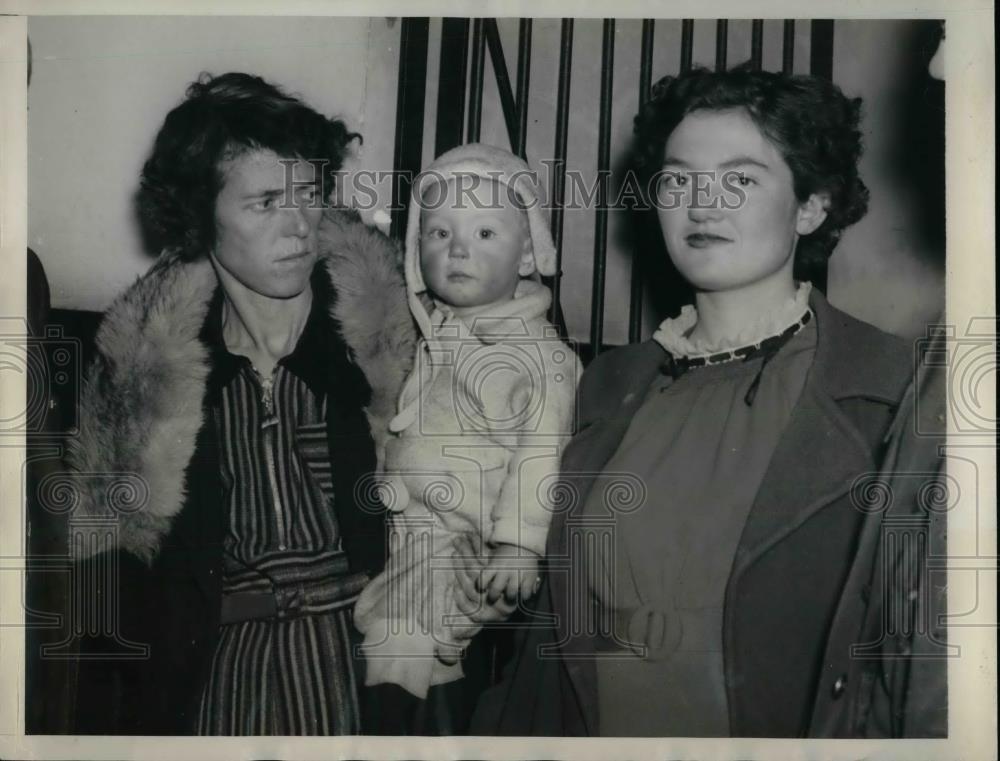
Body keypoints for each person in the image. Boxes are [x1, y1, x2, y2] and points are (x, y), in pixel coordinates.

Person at [470, 66, 923, 737]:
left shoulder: (894, 388)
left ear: (811, 205)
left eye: (740, 179)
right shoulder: (602, 384)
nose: (702, 205)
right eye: (678, 179)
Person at [66, 72, 416, 735]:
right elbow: (107, 591)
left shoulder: (388, 343)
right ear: (203, 216)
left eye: (310, 194)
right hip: (215, 687)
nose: (299, 227)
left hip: (368, 672)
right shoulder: (141, 373)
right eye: (263, 203)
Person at [352, 143, 580, 733]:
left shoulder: (542, 357)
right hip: (412, 532)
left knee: (396, 639)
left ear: (528, 251)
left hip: (473, 544)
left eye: (484, 233)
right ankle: (433, 725)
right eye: (437, 233)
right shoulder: (438, 339)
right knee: (429, 656)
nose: (457, 249)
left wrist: (520, 546)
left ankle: (390, 730)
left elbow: (541, 453)